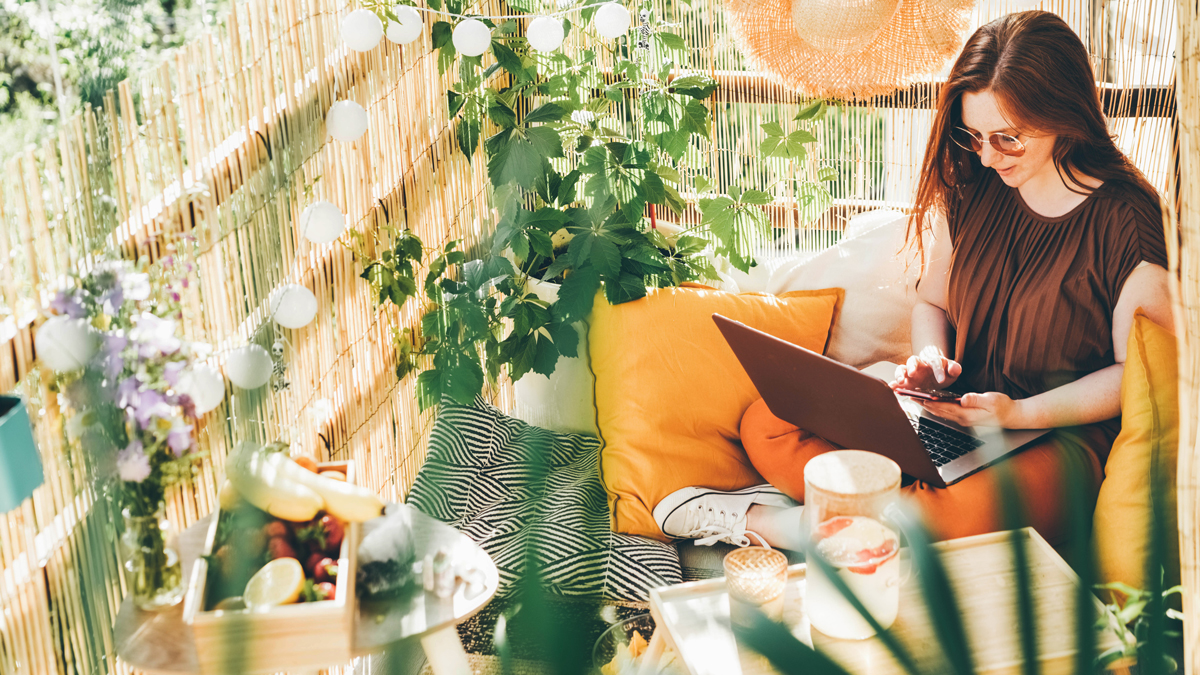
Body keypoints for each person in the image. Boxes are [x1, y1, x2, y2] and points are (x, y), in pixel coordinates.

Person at [652, 10, 1172, 550]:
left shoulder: (1129, 221)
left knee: (944, 517)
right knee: (768, 421)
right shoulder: (975, 186)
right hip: (957, 413)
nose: (987, 156)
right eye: (974, 135)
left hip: (1057, 436)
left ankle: (769, 523)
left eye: (1008, 138)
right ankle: (888, 513)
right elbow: (933, 303)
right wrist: (931, 363)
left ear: (1064, 114)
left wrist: (1020, 413)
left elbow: (1137, 374)